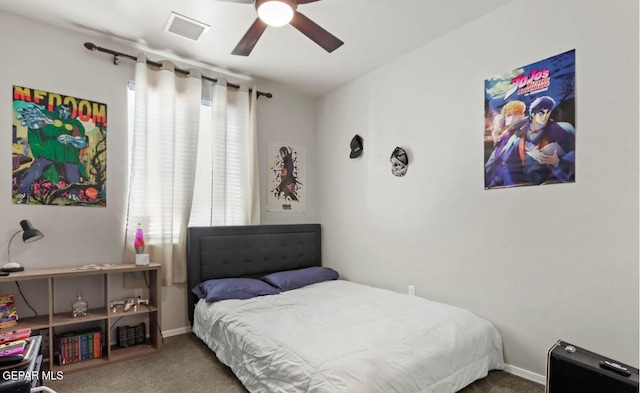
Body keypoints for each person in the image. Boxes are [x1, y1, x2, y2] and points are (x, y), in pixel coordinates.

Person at [15, 104, 87, 204]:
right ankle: (24, 193)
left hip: (67, 152)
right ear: (58, 109)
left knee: (73, 173)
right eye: (62, 109)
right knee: (35, 169)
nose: (64, 112)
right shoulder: (49, 117)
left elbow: (80, 139)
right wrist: (41, 121)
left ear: (70, 113)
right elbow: (41, 126)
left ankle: (74, 194)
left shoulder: (74, 123)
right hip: (50, 150)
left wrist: (72, 139)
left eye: (67, 110)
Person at [517, 96, 575, 184]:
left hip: (552, 182)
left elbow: (575, 155)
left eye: (548, 112)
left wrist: (557, 162)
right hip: (524, 183)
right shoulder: (520, 133)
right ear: (533, 114)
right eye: (541, 113)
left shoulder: (560, 129)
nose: (545, 116)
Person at [484, 100, 528, 187]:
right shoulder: (506, 133)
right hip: (496, 175)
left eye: (509, 115)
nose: (507, 119)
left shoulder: (523, 130)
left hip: (512, 175)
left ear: (519, 115)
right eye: (506, 116)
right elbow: (497, 149)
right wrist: (495, 135)